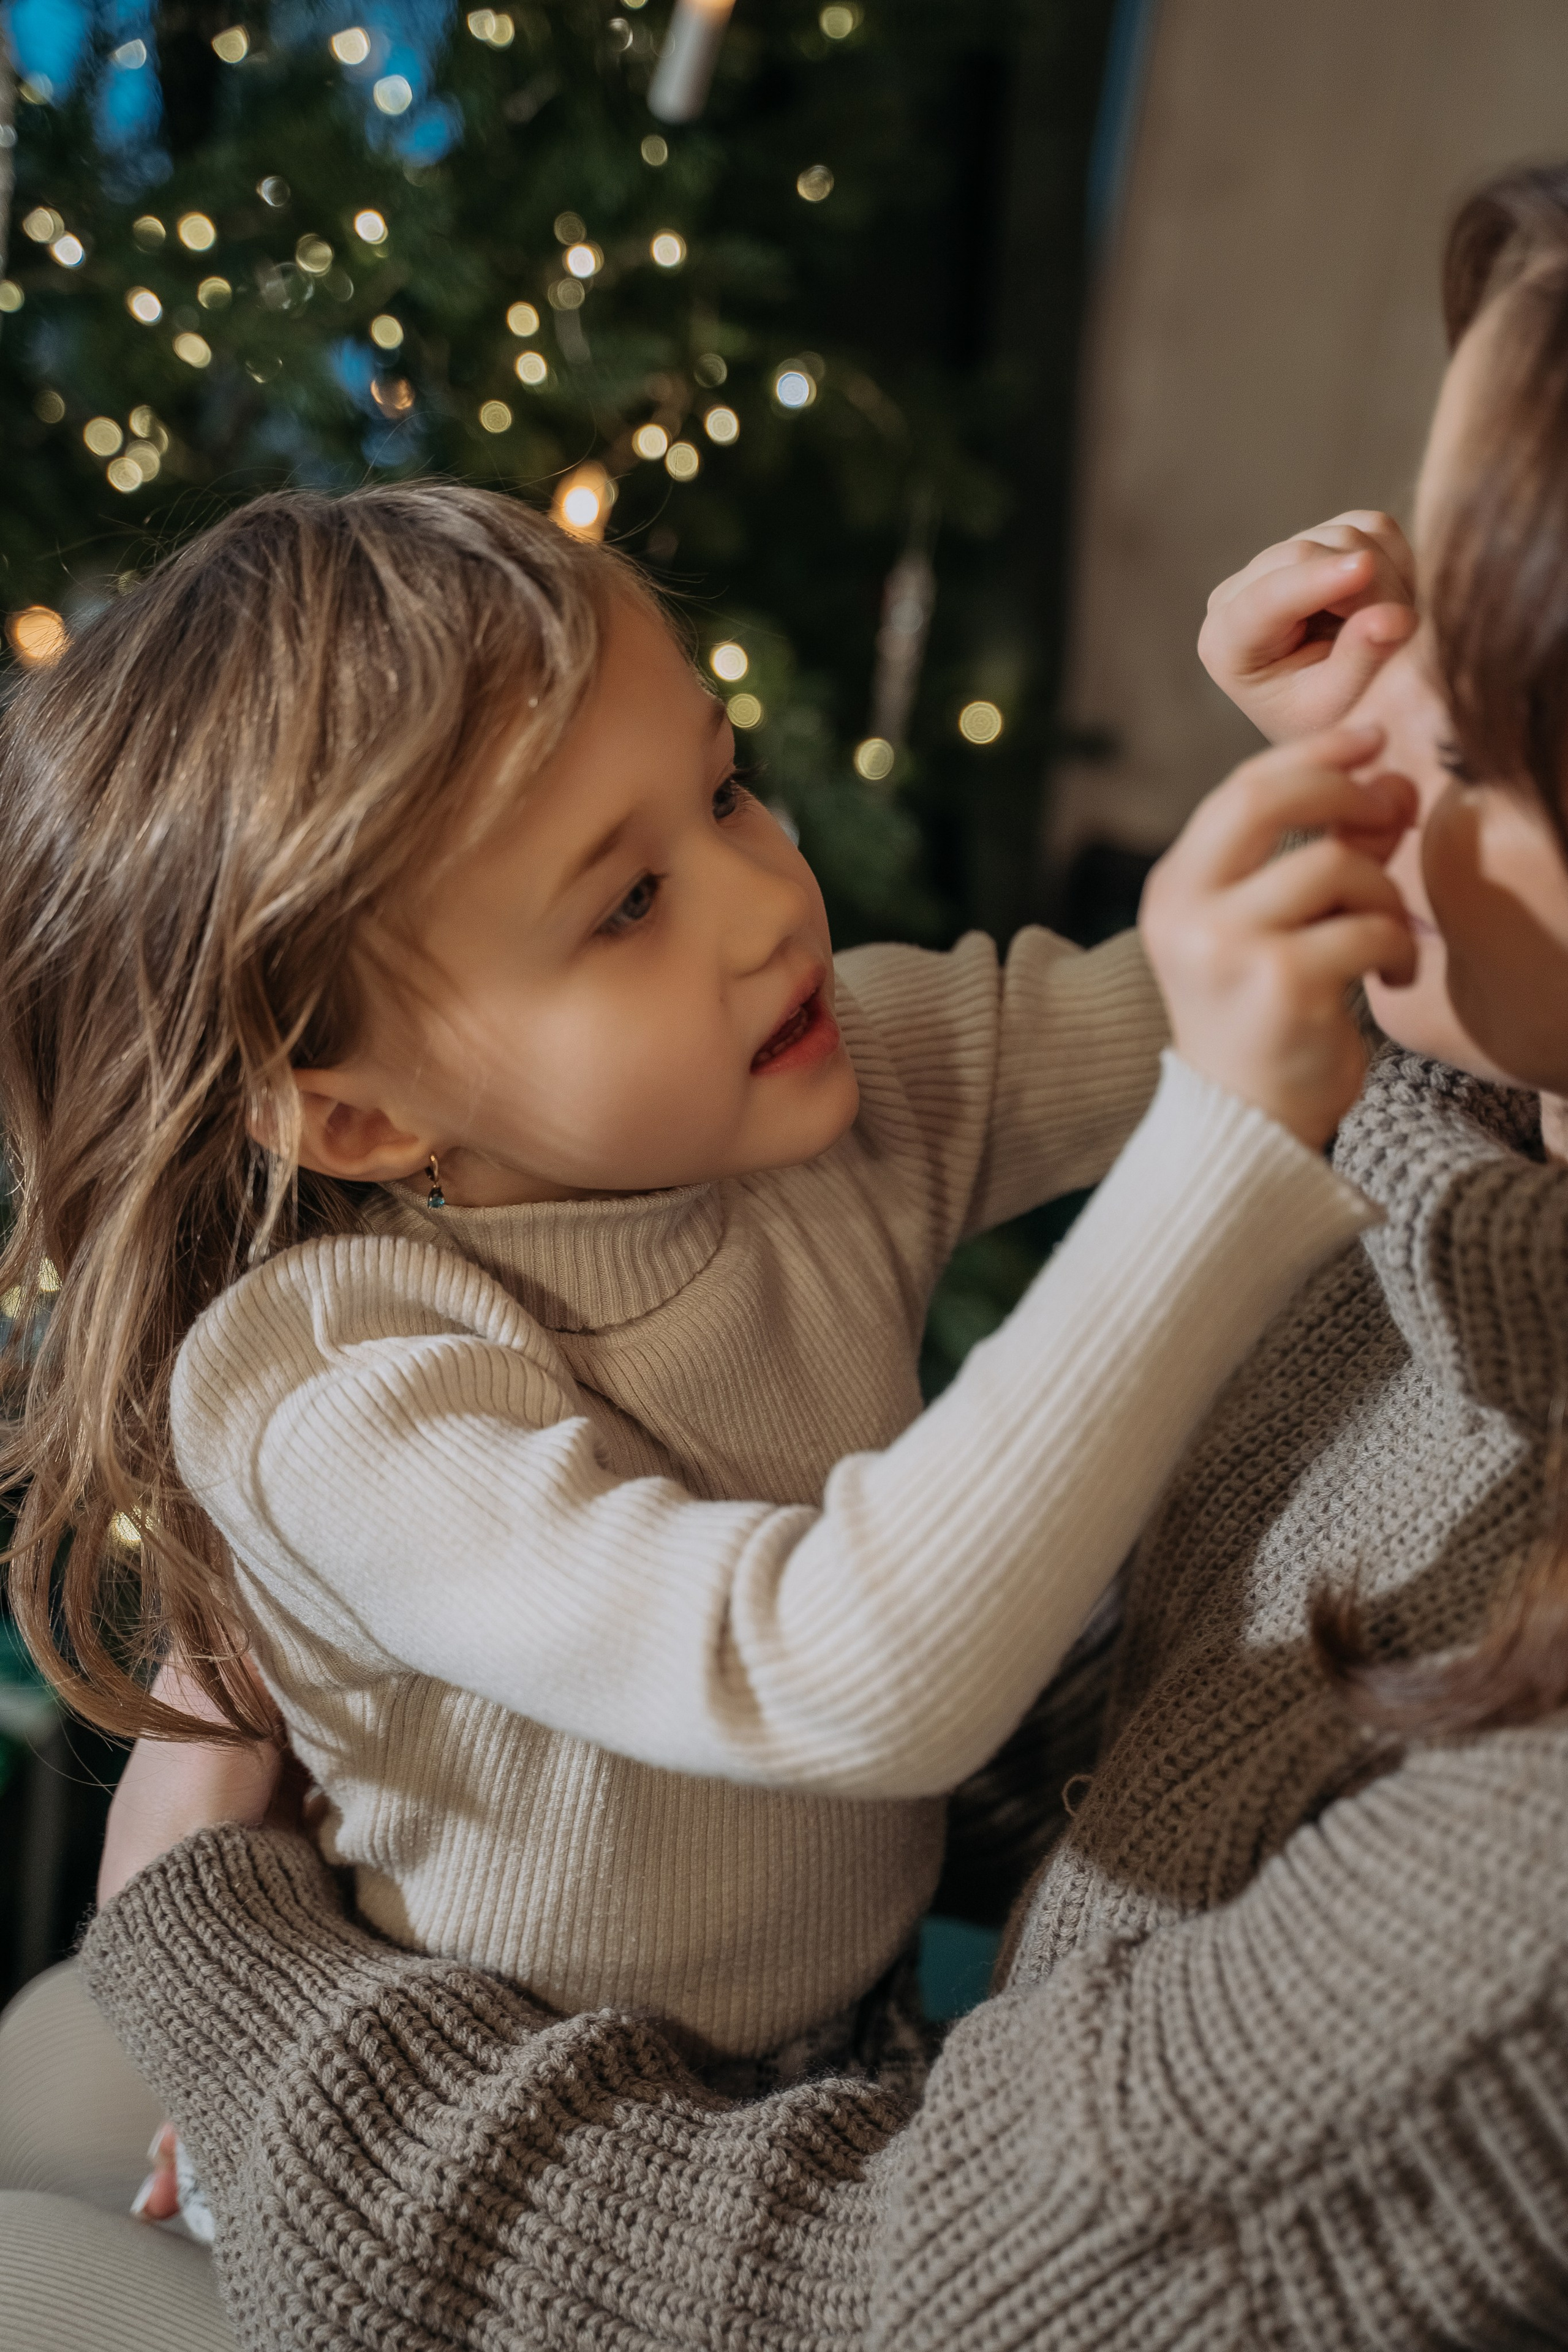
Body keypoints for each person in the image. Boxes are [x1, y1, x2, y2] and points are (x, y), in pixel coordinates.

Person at [13, 156, 1568, 2352]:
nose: (770, 901)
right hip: (462, 2048)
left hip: (818, 2112)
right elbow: (826, 1670)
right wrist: (1382, 776)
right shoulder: (336, 1378)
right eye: (625, 902)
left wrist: (1315, 846)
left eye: (728, 794)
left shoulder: (833, 1095)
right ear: (356, 1111)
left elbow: (1212, 998)